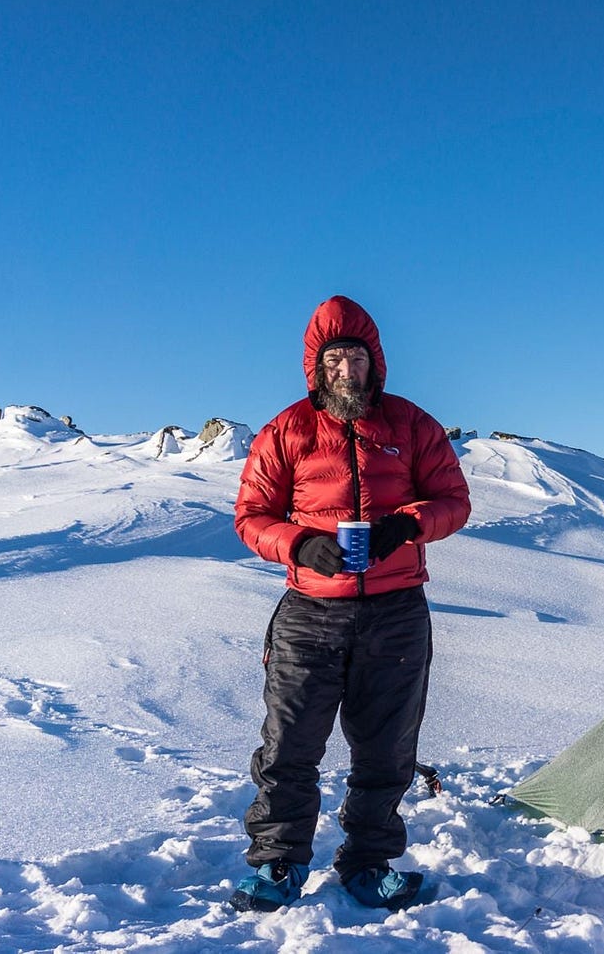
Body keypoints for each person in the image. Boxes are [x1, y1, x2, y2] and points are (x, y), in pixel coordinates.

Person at [228, 295, 471, 912]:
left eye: (355, 358)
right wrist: (300, 544)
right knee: (290, 744)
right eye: (333, 359)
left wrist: (407, 525)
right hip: (309, 613)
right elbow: (251, 517)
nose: (345, 370)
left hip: (395, 612)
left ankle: (368, 862)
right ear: (316, 367)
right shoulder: (286, 431)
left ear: (375, 364)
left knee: (387, 747)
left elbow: (454, 500)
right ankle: (279, 863)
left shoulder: (412, 426)